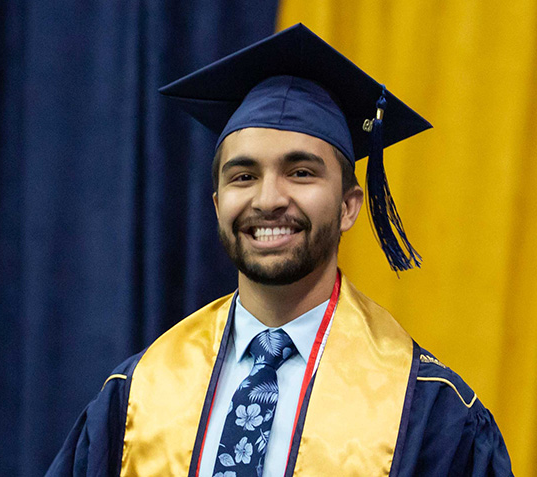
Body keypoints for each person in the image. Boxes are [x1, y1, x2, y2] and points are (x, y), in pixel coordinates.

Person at [46, 24, 513, 477]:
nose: (268, 199)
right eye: (243, 176)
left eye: (301, 172)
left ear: (349, 207)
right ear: (217, 204)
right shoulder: (135, 399)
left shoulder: (431, 415)